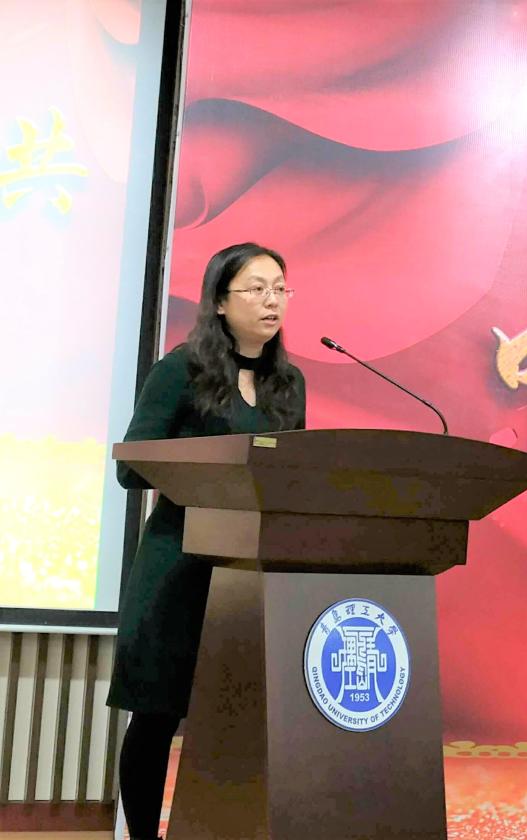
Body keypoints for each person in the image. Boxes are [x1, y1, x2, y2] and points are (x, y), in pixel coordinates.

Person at [107, 243, 306, 840]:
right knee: (157, 717)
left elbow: (297, 473)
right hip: (180, 563)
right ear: (220, 301)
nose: (272, 300)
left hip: (251, 571)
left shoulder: (289, 383)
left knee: (240, 716)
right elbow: (132, 466)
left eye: (280, 288)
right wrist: (214, 468)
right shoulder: (181, 370)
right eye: (256, 288)